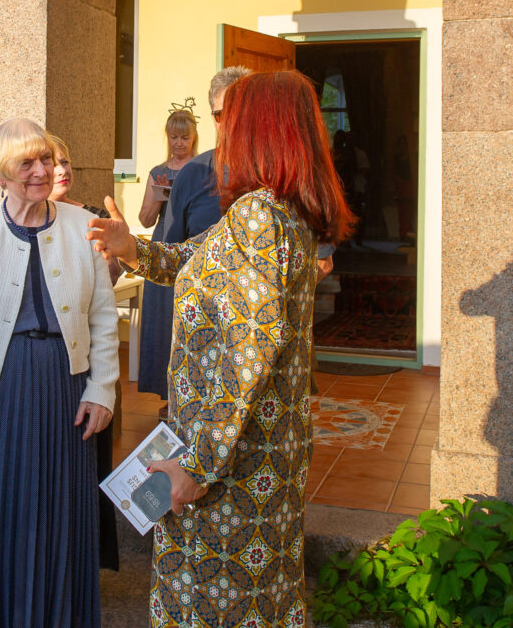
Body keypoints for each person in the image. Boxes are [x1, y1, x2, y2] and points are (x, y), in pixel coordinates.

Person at [87, 71, 354, 628]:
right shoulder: (280, 209)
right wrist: (131, 246)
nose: (221, 132)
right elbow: (191, 257)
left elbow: (246, 356)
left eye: (232, 119)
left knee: (213, 605)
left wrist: (198, 467)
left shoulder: (258, 216)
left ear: (260, 131)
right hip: (265, 448)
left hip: (232, 465)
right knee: (264, 599)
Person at [0, 117, 120, 628]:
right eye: (26, 163)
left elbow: (103, 317)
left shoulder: (85, 227)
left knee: (61, 516)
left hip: (65, 388)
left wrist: (103, 389)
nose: (41, 171)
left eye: (46, 160)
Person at [47, 130, 120, 572]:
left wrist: (113, 249)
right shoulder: (12, 223)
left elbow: (106, 286)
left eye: (66, 161)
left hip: (88, 363)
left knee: (88, 467)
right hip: (39, 369)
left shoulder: (91, 218)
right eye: (53, 162)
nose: (62, 169)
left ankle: (83, 564)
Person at [136, 107, 198, 406]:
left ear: (194, 137)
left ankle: (193, 396)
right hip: (163, 250)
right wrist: (161, 196)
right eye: (174, 137)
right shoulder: (157, 173)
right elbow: (146, 220)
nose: (178, 143)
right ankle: (166, 396)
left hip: (193, 247)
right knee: (163, 321)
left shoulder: (202, 169)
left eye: (184, 137)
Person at [164, 67, 250, 244]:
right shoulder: (190, 176)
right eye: (222, 114)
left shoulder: (280, 174)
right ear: (212, 117)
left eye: (240, 112)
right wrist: (130, 251)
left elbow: (321, 261)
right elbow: (170, 258)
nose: (232, 122)